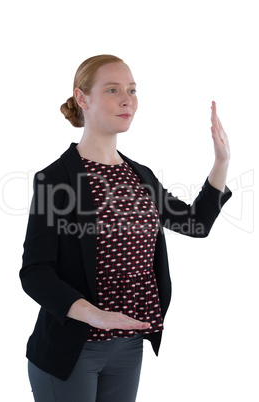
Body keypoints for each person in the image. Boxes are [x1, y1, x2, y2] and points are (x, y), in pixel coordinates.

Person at [20, 54, 232, 402]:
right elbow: (35, 272)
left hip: (129, 348)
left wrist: (221, 162)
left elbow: (195, 223)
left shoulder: (141, 176)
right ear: (82, 98)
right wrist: (93, 315)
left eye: (132, 90)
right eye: (113, 89)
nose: (127, 100)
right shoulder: (56, 178)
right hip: (71, 350)